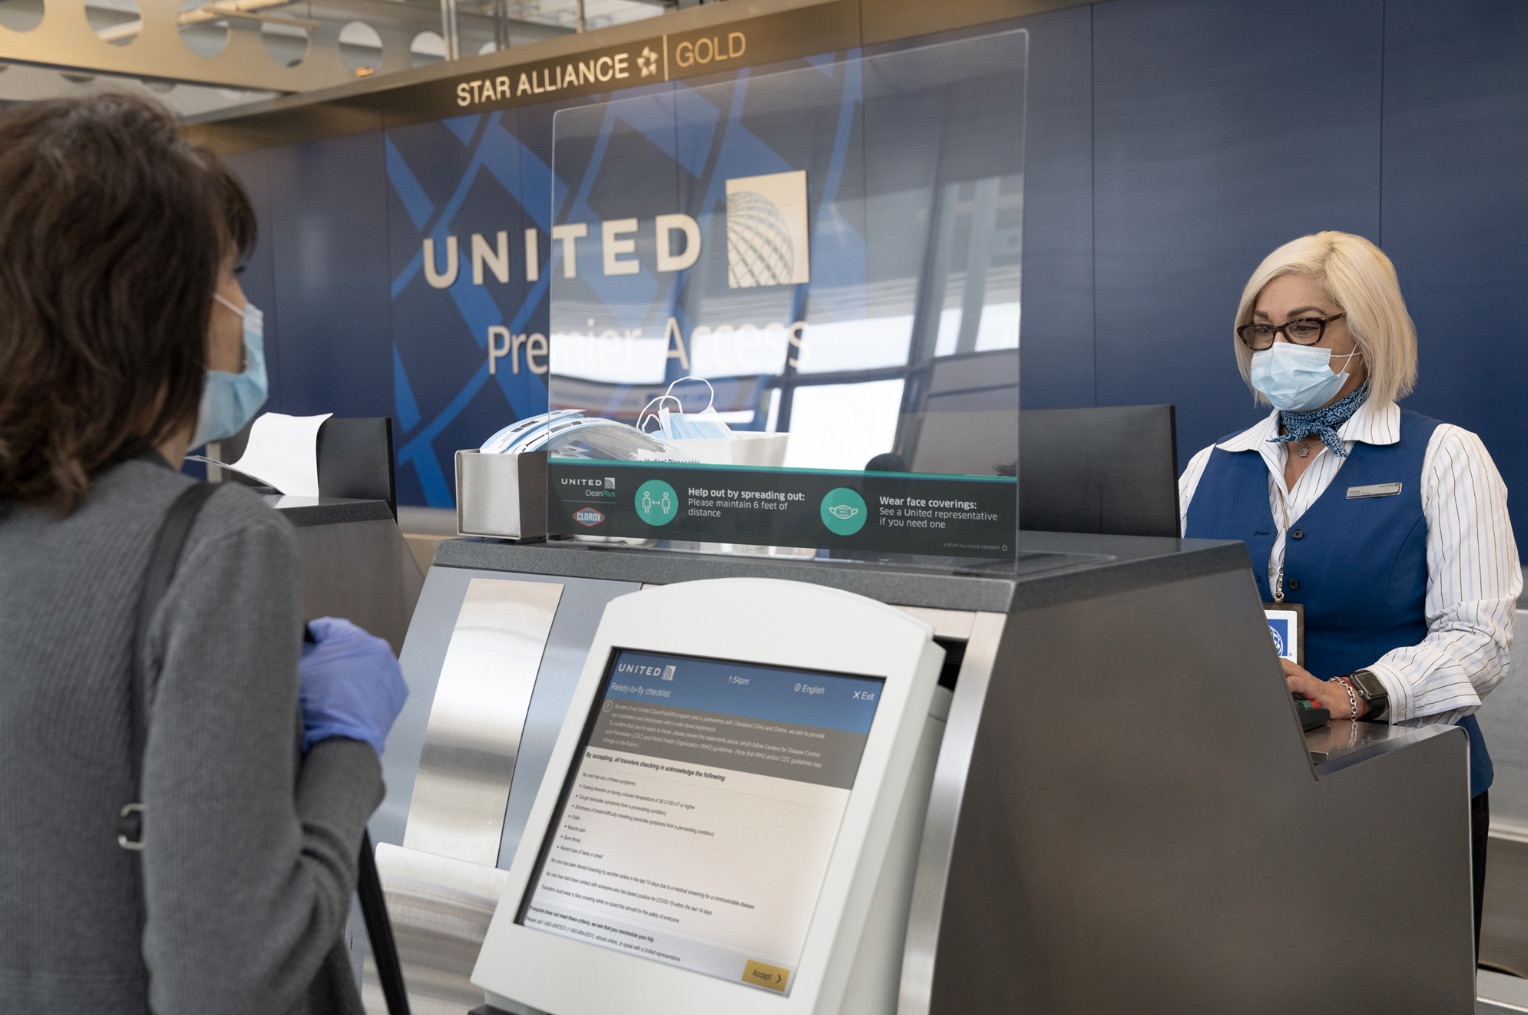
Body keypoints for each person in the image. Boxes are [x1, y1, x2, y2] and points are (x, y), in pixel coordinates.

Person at [0, 93, 408, 1012]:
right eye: (233, 277)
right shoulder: (216, 545)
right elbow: (232, 976)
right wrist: (347, 752)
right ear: (158, 306)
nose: (247, 310)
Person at [1180, 230, 1520, 947]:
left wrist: (1354, 689)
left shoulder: (1446, 456)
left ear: (1365, 331)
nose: (1279, 347)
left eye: (1305, 325)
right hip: (1245, 789)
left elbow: (1479, 640)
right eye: (1262, 328)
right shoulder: (1209, 466)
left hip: (1405, 798)